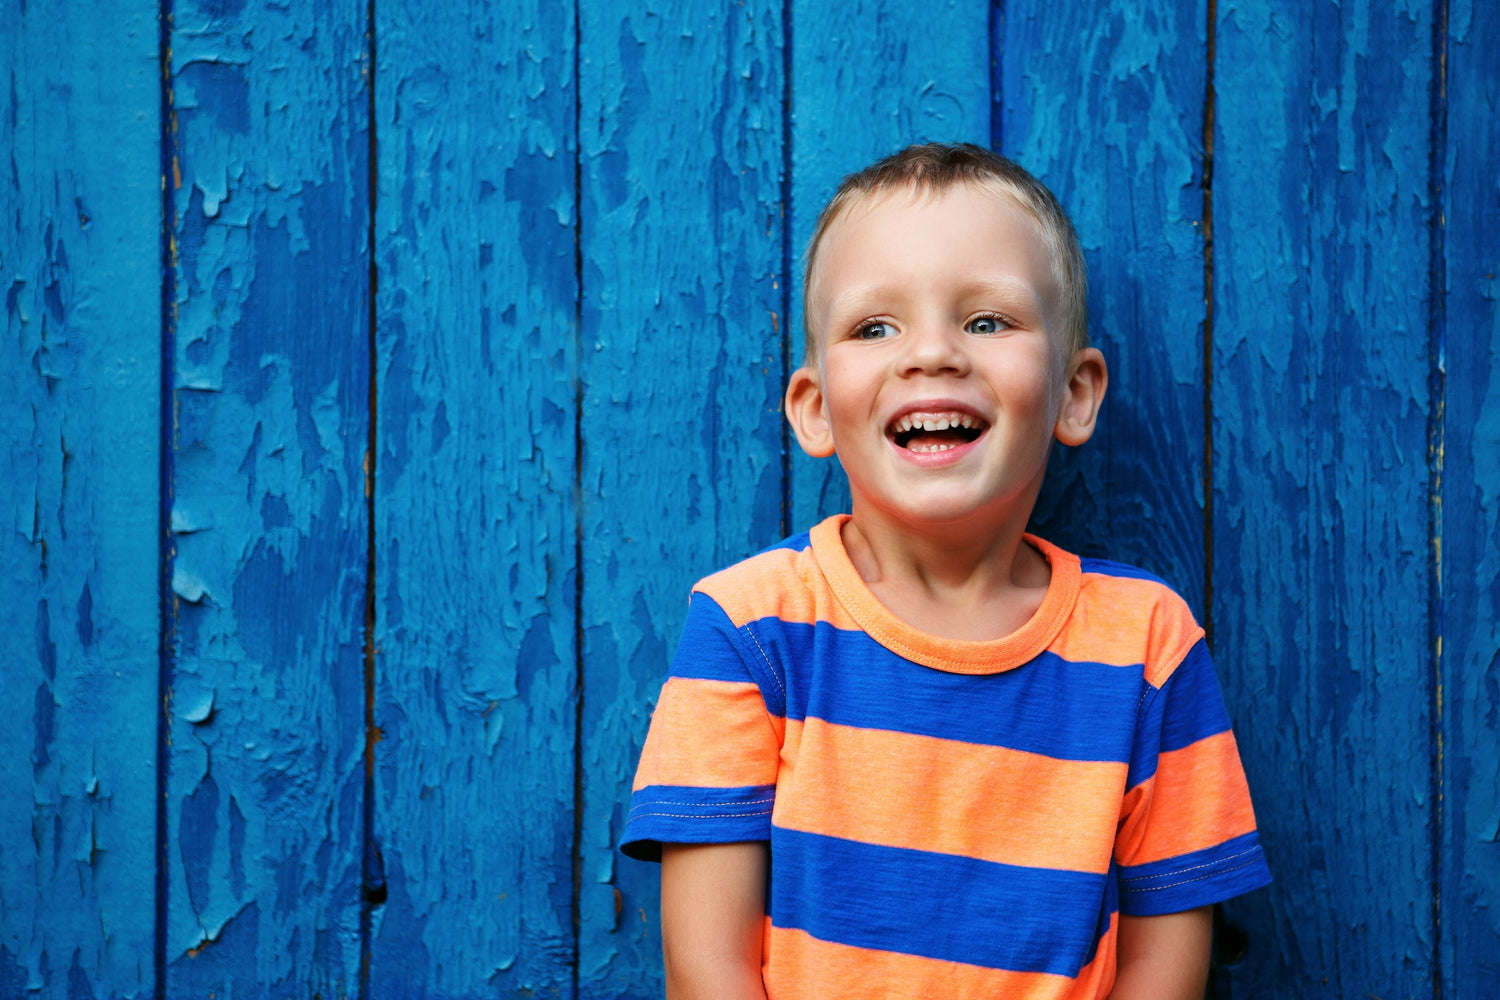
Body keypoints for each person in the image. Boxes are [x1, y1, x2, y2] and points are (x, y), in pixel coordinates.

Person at [619, 142, 1271, 999]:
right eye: (875, 327)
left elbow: (1166, 968)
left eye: (987, 322)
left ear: (1074, 394)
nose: (932, 354)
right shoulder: (751, 625)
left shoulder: (1147, 644)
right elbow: (708, 971)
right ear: (815, 410)